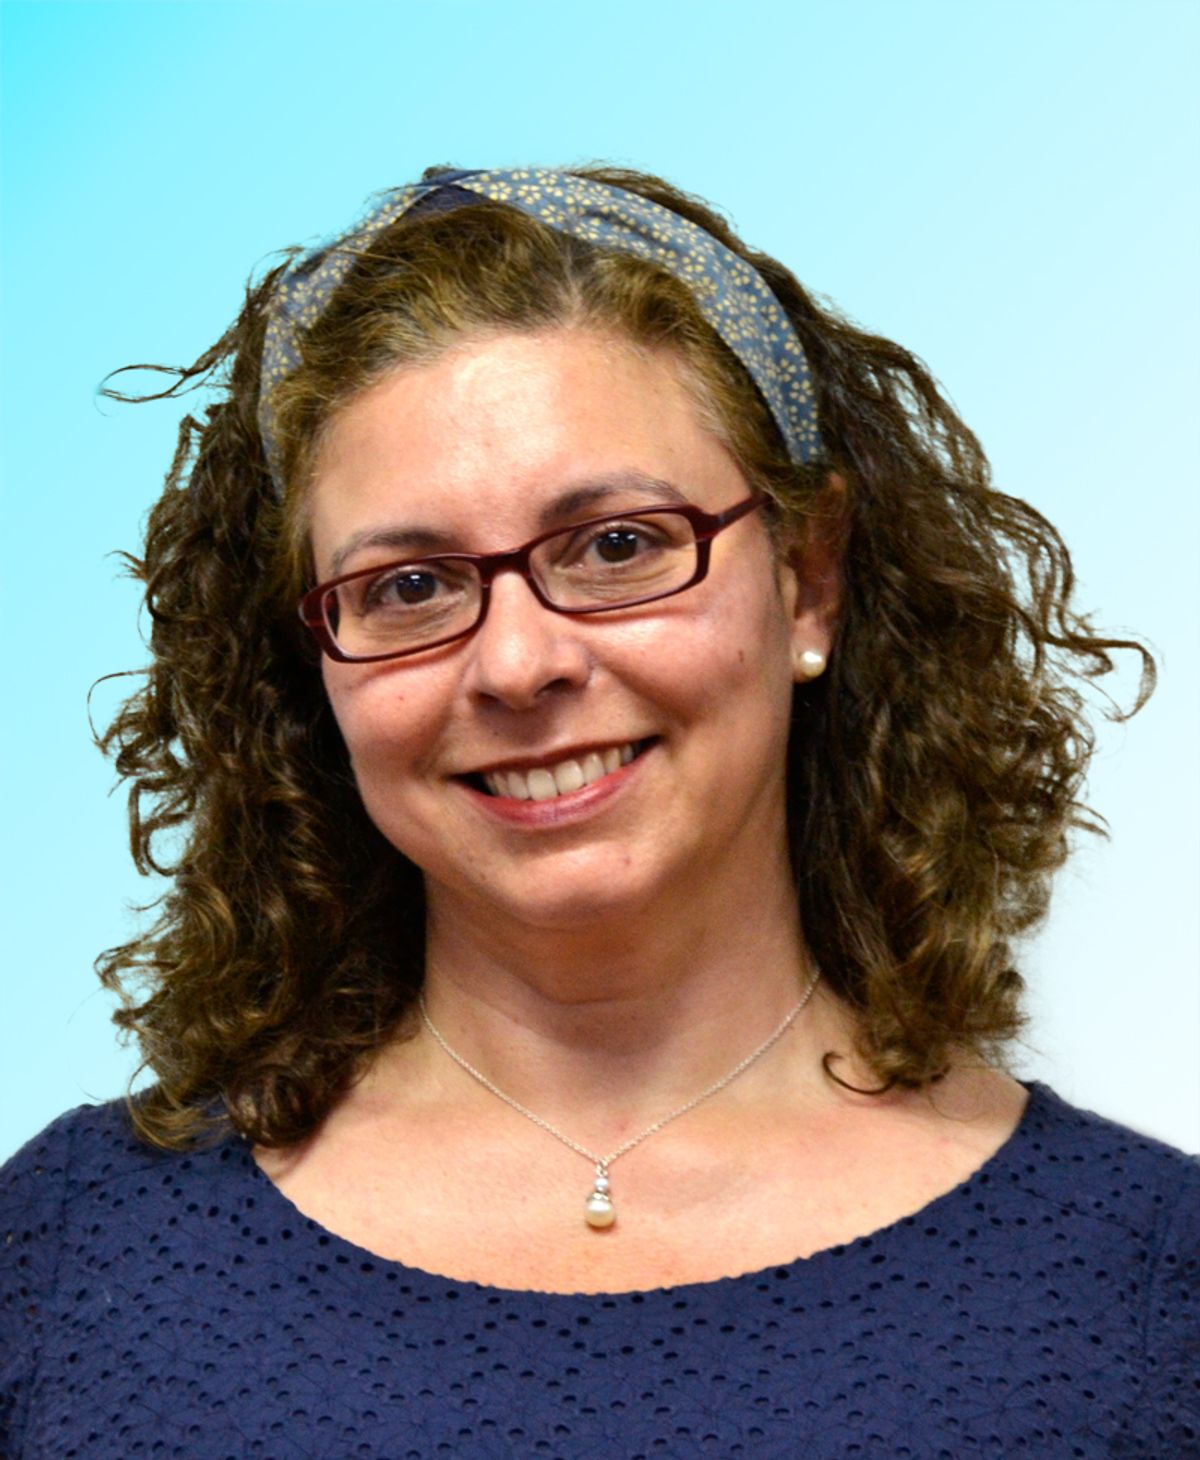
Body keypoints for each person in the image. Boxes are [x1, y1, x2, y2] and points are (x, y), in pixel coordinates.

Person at [1, 165, 1196, 1458]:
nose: (518, 666)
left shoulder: (1139, 1284)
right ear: (314, 664)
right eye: (408, 584)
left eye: (618, 546)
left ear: (808, 580)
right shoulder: (73, 1257)